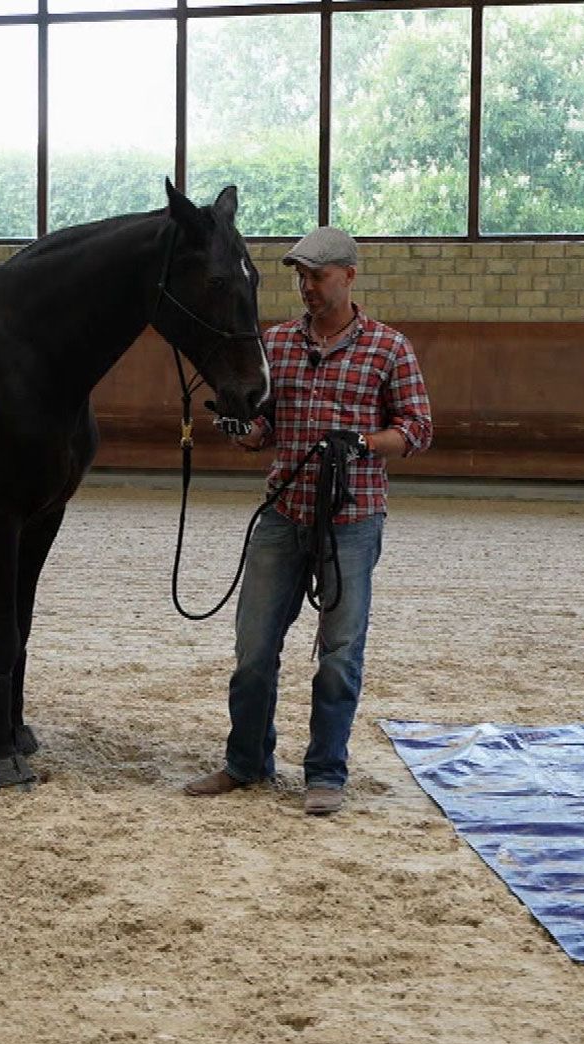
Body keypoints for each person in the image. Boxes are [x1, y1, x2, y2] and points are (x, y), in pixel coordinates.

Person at [183, 226, 434, 816]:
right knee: (252, 651)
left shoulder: (389, 348)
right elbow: (265, 430)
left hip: (352, 520)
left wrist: (364, 443)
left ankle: (325, 771)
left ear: (349, 274)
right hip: (284, 513)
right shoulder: (276, 343)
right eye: (300, 276)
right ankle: (246, 762)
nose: (307, 287)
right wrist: (244, 431)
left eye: (317, 275)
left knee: (340, 654)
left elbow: (418, 429)